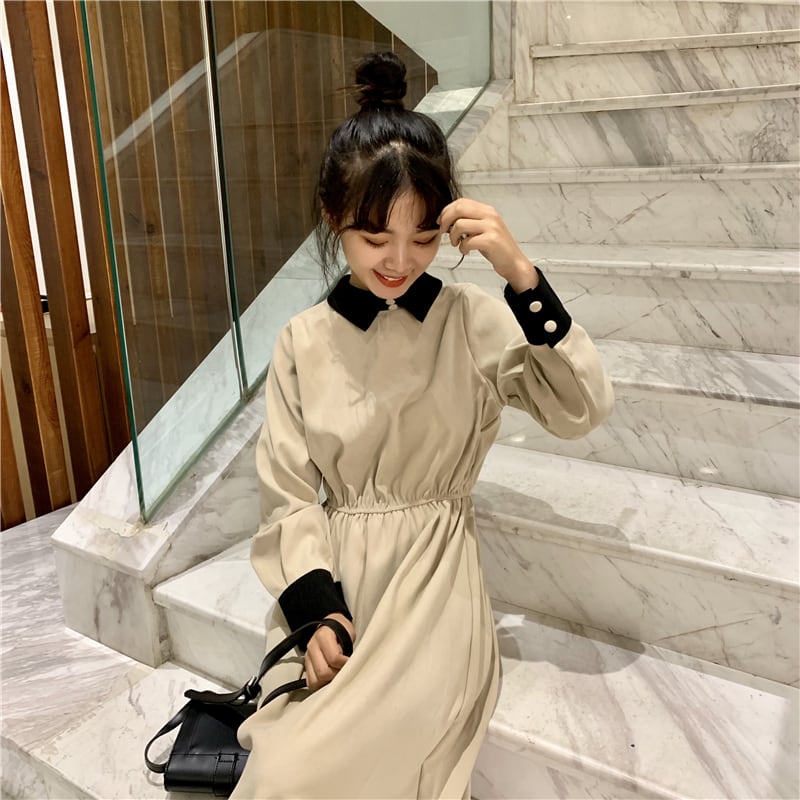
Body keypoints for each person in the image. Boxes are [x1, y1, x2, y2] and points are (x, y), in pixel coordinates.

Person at [233, 51, 614, 800]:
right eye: (375, 238)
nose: (399, 261)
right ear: (333, 220)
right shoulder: (302, 340)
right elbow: (287, 496)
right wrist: (315, 612)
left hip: (437, 583)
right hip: (335, 586)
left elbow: (579, 407)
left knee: (344, 762)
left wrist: (522, 277)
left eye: (424, 237)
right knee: (284, 767)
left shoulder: (470, 319)